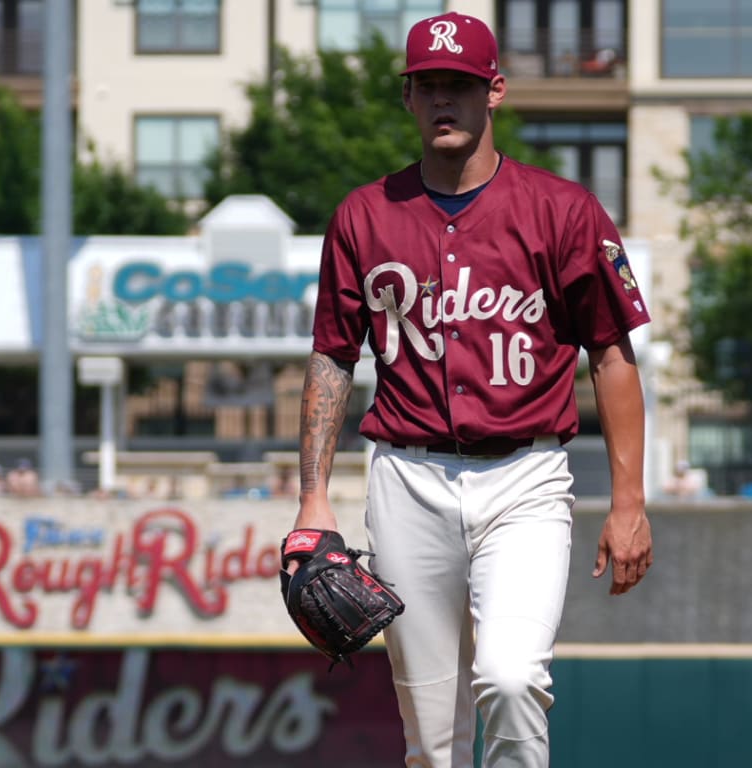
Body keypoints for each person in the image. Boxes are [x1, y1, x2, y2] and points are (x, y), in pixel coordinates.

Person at [287, 12, 653, 767]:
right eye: (428, 87)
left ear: (495, 91)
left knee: (513, 678)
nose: (442, 101)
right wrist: (312, 501)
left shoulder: (562, 209)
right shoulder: (365, 214)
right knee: (432, 734)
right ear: (408, 98)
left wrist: (629, 503)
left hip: (526, 476)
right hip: (407, 478)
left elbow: (612, 356)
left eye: (459, 85)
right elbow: (331, 358)